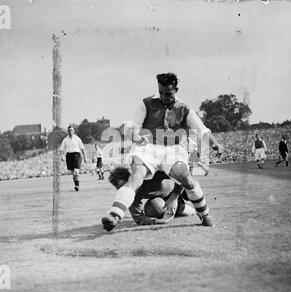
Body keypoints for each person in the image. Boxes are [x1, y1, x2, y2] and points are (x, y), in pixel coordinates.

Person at [102, 72, 221, 231]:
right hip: (148, 147)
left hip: (173, 150)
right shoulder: (146, 103)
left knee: (187, 179)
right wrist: (135, 135)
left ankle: (205, 215)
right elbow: (134, 125)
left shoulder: (185, 109)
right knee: (136, 176)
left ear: (176, 90)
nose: (165, 97)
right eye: (161, 93)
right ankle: (114, 215)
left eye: (169, 94)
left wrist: (215, 144)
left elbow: (202, 130)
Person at [108, 167, 195, 225]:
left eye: (125, 186)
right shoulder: (130, 193)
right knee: (156, 205)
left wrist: (174, 198)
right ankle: (178, 209)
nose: (127, 189)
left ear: (130, 178)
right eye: (121, 189)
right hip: (163, 197)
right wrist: (158, 221)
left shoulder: (149, 174)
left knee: (192, 195)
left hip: (176, 189)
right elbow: (138, 217)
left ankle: (197, 210)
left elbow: (180, 176)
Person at [59, 125, 87, 191]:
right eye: (69, 130)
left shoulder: (77, 138)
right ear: (67, 131)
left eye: (71, 130)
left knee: (76, 171)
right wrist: (61, 156)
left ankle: (77, 185)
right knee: (73, 173)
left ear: (73, 131)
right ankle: (76, 184)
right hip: (69, 156)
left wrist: (85, 157)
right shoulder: (65, 140)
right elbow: (61, 149)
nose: (70, 131)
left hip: (76, 155)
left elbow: (82, 148)